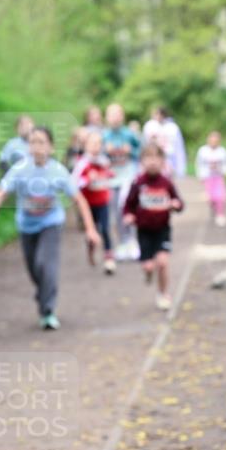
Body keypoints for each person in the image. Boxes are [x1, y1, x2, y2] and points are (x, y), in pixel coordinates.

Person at [0, 126, 101, 330]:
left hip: (50, 224)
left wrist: (90, 229)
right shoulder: (20, 169)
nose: (36, 147)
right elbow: (1, 190)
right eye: (33, 142)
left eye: (41, 142)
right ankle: (43, 291)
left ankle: (47, 310)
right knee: (34, 268)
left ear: (51, 147)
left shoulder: (58, 171)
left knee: (46, 264)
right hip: (26, 226)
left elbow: (79, 199)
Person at [123, 145, 184, 311]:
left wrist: (175, 205)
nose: (152, 162)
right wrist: (128, 215)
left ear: (163, 162)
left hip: (162, 229)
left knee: (163, 263)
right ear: (141, 162)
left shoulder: (166, 183)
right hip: (143, 231)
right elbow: (129, 205)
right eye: (148, 158)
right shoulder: (138, 183)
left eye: (156, 158)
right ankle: (148, 272)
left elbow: (179, 202)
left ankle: (163, 293)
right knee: (149, 266)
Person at [72, 130, 116, 274]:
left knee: (105, 229)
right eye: (92, 143)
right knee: (92, 231)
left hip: (103, 201)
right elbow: (73, 183)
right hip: (88, 205)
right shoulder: (82, 163)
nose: (96, 147)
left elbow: (109, 175)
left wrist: (108, 175)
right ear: (86, 146)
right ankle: (91, 250)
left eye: (98, 143)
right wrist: (87, 180)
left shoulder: (104, 161)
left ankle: (109, 259)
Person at [103, 103, 141, 261]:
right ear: (107, 118)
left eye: (117, 114)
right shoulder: (104, 136)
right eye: (111, 114)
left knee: (126, 207)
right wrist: (106, 151)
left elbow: (141, 151)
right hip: (111, 180)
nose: (115, 118)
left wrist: (130, 151)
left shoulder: (129, 134)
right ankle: (123, 243)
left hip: (128, 177)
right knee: (115, 213)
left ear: (122, 116)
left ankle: (133, 241)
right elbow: (96, 155)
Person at [195, 131, 226, 227]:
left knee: (220, 196)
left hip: (219, 177)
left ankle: (220, 214)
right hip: (208, 177)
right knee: (211, 197)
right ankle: (214, 209)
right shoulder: (203, 151)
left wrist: (224, 171)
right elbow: (199, 164)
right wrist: (200, 175)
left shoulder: (222, 151)